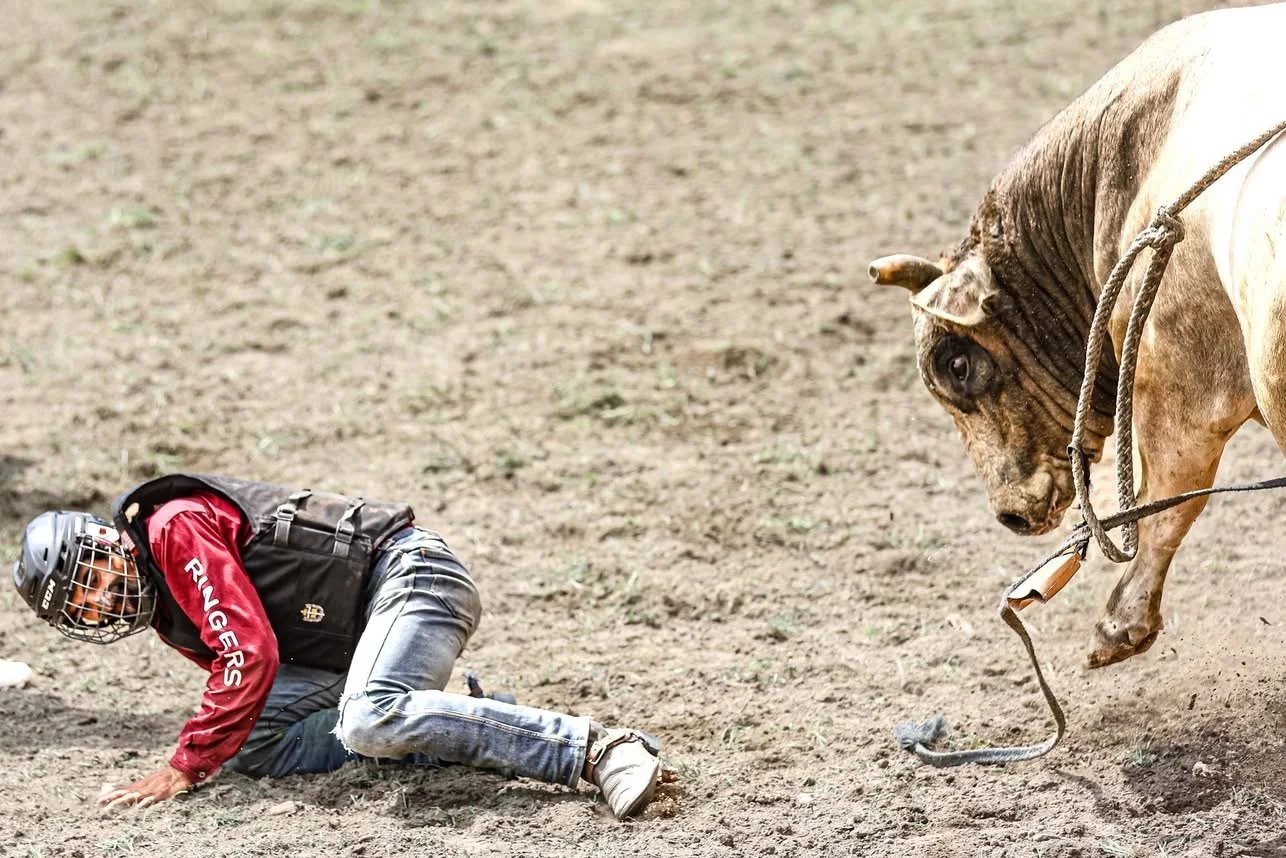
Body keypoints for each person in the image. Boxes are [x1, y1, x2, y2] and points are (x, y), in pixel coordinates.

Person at [11, 473, 663, 819]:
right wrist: (211, 753)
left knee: (370, 715)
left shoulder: (173, 528)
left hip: (412, 577)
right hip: (359, 637)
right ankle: (461, 720)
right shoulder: (164, 603)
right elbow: (250, 674)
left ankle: (597, 749)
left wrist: (186, 762)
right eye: (81, 599)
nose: (99, 595)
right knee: (250, 746)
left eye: (92, 571)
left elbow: (250, 655)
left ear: (108, 542)